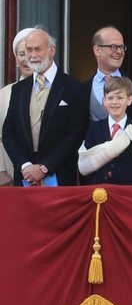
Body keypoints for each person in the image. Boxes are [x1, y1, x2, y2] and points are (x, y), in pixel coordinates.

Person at [3, 28, 87, 186]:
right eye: (29, 50)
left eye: (38, 49)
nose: (33, 55)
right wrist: (25, 165)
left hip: (60, 176)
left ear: (51, 50)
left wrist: (44, 167)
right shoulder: (18, 89)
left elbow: (75, 134)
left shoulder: (74, 88)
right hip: (24, 177)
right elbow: (8, 133)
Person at [83, 26, 132, 139]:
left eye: (122, 47)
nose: (119, 52)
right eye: (114, 47)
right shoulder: (82, 90)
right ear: (97, 50)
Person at [78, 76, 132, 184]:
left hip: (129, 192)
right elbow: (87, 163)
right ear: (104, 101)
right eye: (110, 98)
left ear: (129, 100)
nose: (115, 102)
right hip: (99, 192)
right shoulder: (94, 128)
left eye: (119, 98)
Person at [0, 27, 35, 186]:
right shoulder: (5, 94)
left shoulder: (56, 90)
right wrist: (1, 171)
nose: (27, 59)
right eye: (21, 54)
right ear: (15, 59)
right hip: (11, 173)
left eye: (31, 53)